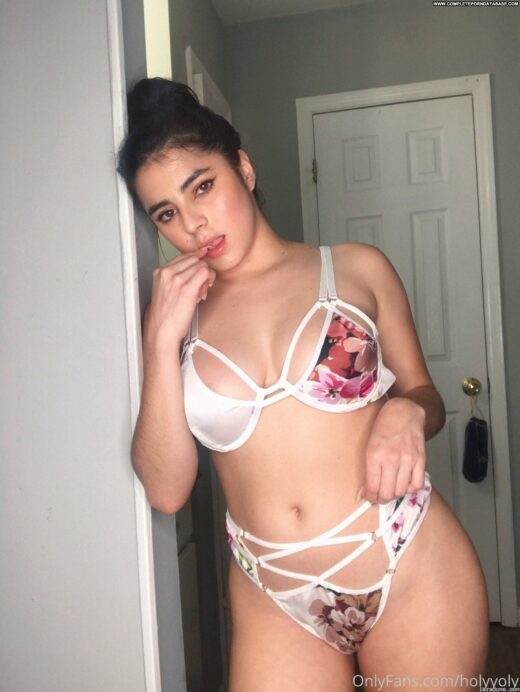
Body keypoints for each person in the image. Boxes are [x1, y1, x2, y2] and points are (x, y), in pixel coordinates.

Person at [118, 78, 488, 691]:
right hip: (273, 596)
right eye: (167, 213)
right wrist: (159, 339)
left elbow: (426, 397)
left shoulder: (357, 268)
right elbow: (166, 489)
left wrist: (405, 414)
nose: (194, 224)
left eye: (202, 186)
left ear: (243, 168)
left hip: (408, 561)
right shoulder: (173, 321)